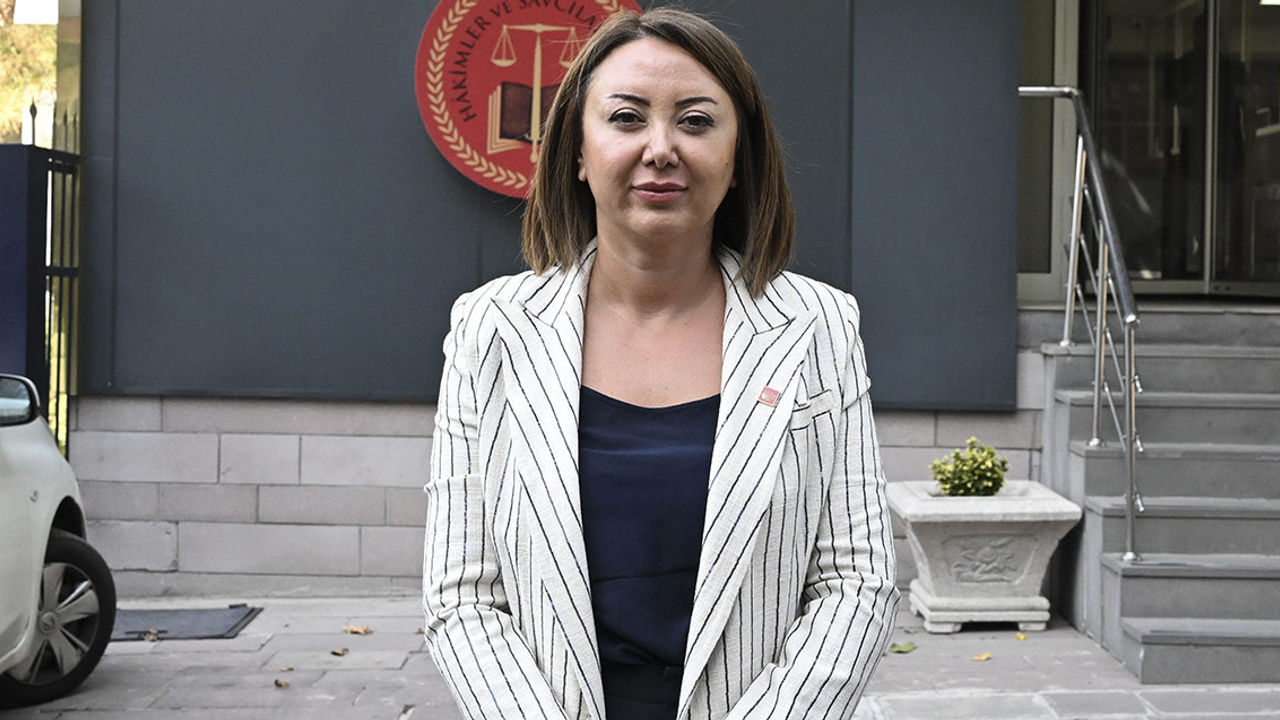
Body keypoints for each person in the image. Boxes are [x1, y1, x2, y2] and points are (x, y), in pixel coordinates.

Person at [423, 8, 899, 720]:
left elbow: (856, 582)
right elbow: (463, 597)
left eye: (696, 122)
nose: (661, 149)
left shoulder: (819, 326)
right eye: (626, 118)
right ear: (577, 152)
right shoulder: (490, 330)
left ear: (738, 160)